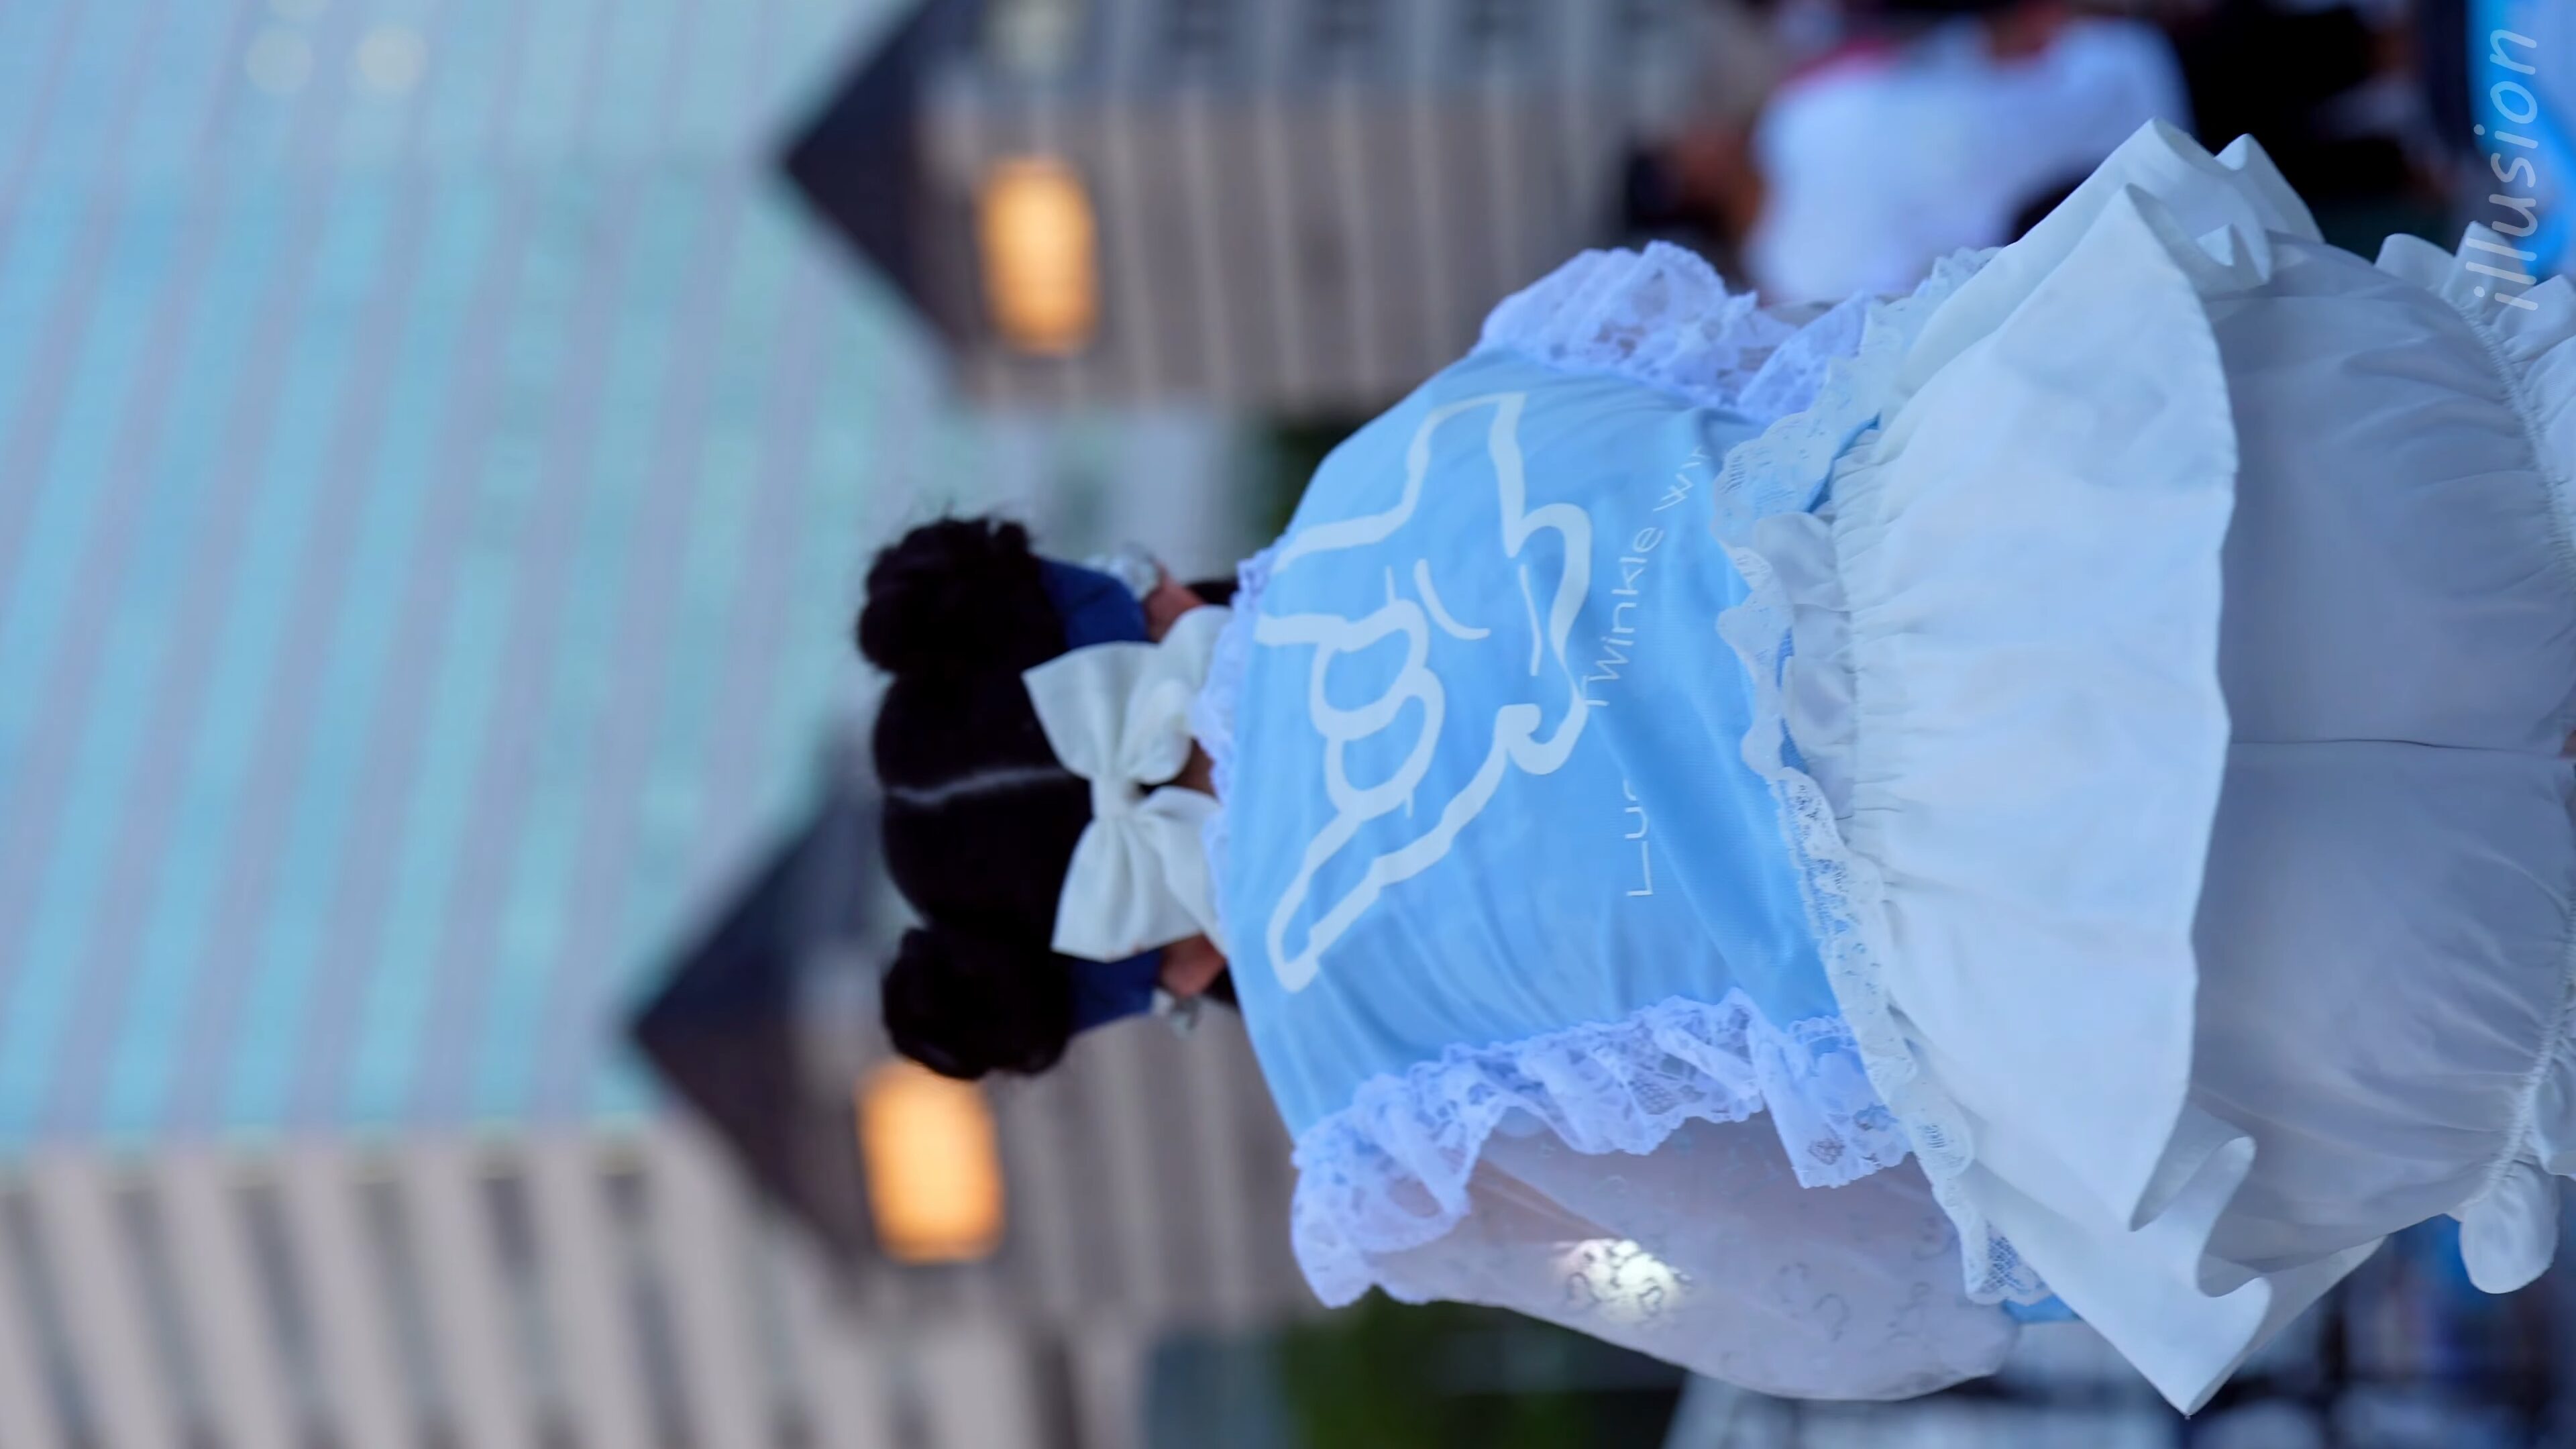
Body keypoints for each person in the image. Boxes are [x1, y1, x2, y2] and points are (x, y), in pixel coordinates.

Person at [859, 121, 2576, 1413]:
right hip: (2172, 475)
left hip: (2184, 983)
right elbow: (1819, 365)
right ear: (1136, 603)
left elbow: (1825, 1296)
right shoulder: (1408, 449)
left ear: (1153, 969)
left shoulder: (1368, 1116)